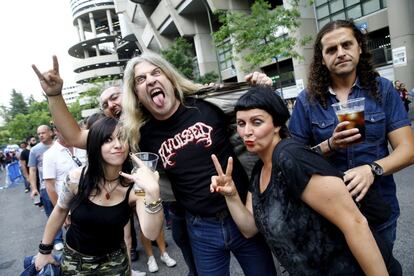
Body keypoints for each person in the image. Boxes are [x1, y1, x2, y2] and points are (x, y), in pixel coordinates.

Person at [33, 54, 277, 275]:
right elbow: (76, 137)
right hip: (201, 227)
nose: (150, 80)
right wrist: (54, 95)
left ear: (170, 79)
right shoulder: (140, 133)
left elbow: (260, 116)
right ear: (137, 95)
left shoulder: (207, 106)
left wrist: (263, 89)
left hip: (242, 214)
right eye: (140, 79)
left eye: (156, 73)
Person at [212, 86, 402, 275]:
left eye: (257, 122)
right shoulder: (259, 171)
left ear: (277, 125)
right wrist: (232, 195)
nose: (247, 132)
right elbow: (249, 228)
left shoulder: (290, 158)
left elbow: (355, 222)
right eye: (241, 123)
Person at [288, 20, 414, 247]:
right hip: (330, 213)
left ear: (359, 47)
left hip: (377, 207)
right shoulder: (308, 101)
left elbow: (408, 150)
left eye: (347, 45)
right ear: (323, 59)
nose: (341, 53)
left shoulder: (383, 89)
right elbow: (292, 159)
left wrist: (372, 169)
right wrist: (330, 145)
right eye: (331, 49)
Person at [34, 117, 164, 274]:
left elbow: (151, 233)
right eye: (108, 139)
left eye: (122, 137)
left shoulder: (135, 187)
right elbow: (60, 210)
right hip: (75, 262)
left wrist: (153, 193)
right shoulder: (77, 178)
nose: (118, 144)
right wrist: (44, 251)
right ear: (96, 146)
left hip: (115, 262)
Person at [28, 125, 64, 250]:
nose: (41, 135)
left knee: (70, 212)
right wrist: (34, 188)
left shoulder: (60, 145)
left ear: (51, 133)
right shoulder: (35, 150)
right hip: (46, 187)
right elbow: (32, 170)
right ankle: (58, 239)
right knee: (53, 214)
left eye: (43, 132)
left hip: (63, 185)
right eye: (39, 134)